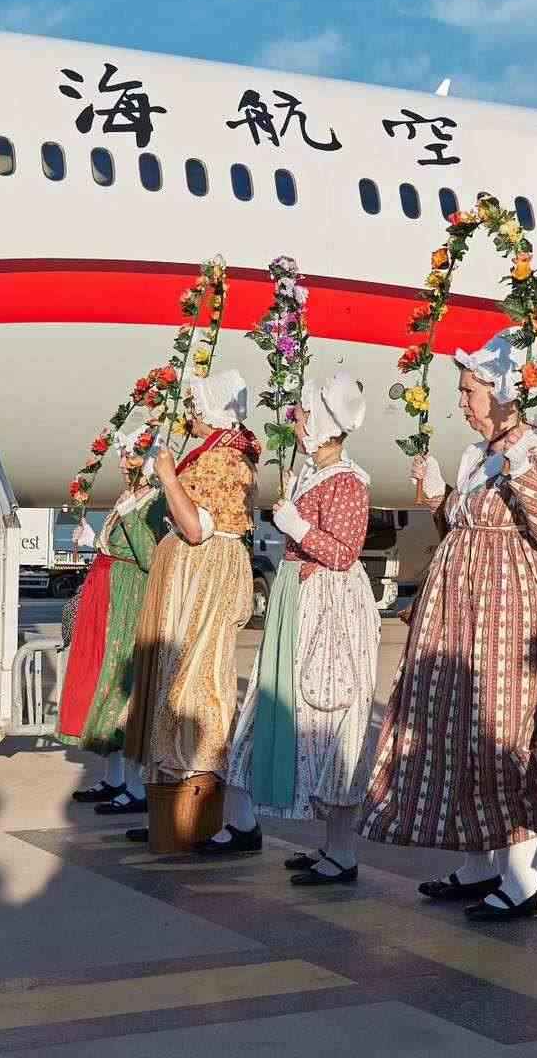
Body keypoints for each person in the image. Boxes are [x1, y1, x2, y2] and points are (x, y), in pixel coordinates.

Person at [359, 328, 537, 920]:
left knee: (503, 732)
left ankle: (522, 879)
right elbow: (467, 524)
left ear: (503, 393)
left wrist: (519, 461)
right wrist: (440, 499)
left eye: (470, 391)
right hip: (463, 614)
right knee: (459, 731)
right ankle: (480, 864)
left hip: (508, 615)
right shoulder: (480, 455)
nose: (461, 402)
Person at [212, 373, 382, 884]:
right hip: (299, 596)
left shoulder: (348, 481)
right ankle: (326, 844)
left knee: (329, 710)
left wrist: (296, 526)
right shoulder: (314, 472)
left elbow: (344, 554)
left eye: (304, 414)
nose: (297, 421)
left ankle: (343, 852)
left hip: (329, 607)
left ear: (326, 421)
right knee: (291, 707)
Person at [121, 370, 259, 821]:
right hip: (192, 576)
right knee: (178, 676)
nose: (190, 418)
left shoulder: (225, 458)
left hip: (204, 577)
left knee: (196, 679)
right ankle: (177, 806)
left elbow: (197, 528)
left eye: (195, 409)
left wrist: (167, 477)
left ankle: (203, 811)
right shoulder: (216, 451)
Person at [61, 431, 169, 810]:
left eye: (131, 456)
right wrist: (96, 539)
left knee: (122, 686)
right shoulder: (131, 496)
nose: (123, 463)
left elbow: (150, 558)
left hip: (128, 599)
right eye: (122, 455)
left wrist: (128, 517)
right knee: (102, 683)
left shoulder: (155, 502)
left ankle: (137, 788)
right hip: (107, 592)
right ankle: (115, 778)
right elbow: (120, 547)